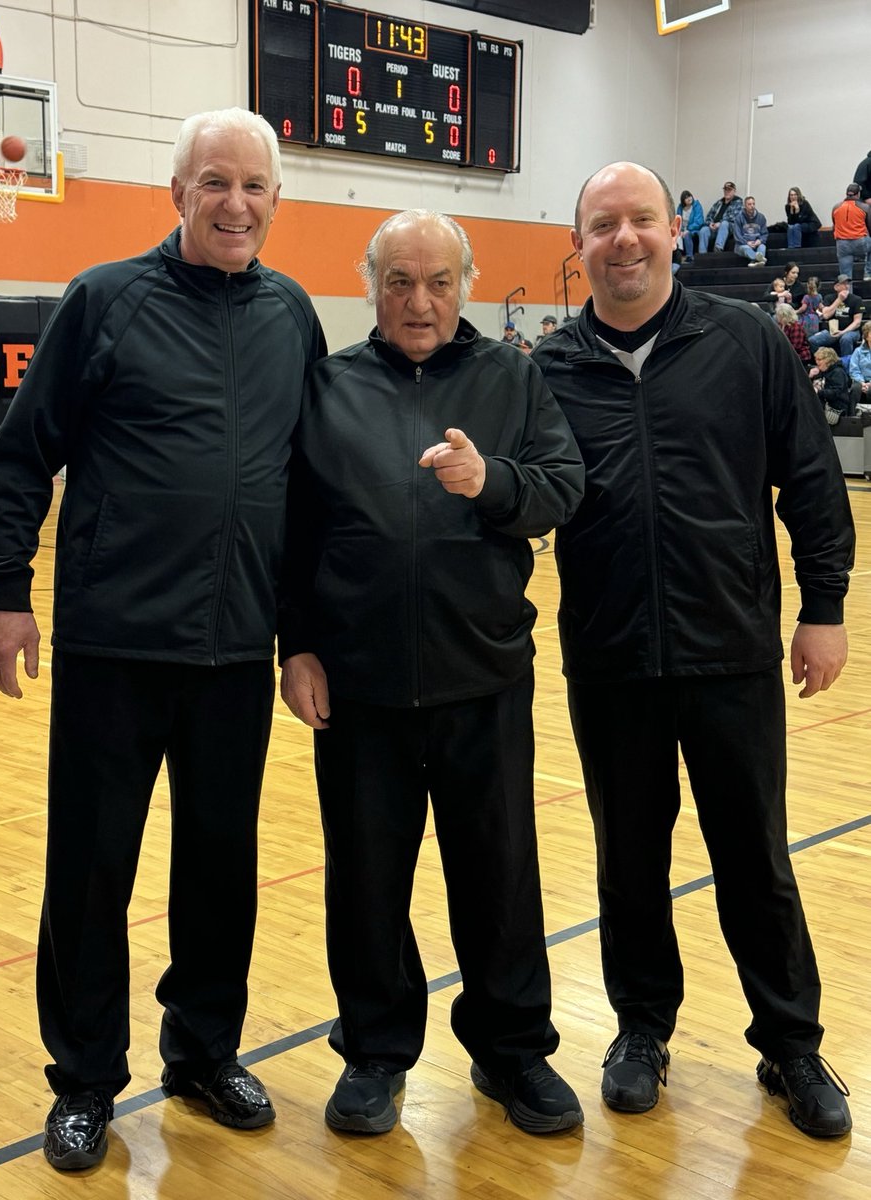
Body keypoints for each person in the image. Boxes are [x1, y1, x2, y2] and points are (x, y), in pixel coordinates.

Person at [0, 107, 326, 1171]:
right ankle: (83, 1081)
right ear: (177, 195)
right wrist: (3, 591)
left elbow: (308, 492)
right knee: (92, 872)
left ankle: (203, 1053)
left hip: (234, 653)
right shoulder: (104, 301)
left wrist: (302, 635)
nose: (235, 203)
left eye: (254, 185)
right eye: (214, 182)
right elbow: (20, 456)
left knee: (220, 868)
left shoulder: (293, 316)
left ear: (275, 200)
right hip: (113, 647)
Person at [533, 161, 855, 1140]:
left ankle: (791, 1045)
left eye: (641, 220)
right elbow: (510, 507)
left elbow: (808, 480)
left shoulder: (749, 344)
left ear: (676, 231)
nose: (623, 239)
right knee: (629, 860)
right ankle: (640, 1029)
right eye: (602, 224)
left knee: (754, 858)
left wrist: (824, 606)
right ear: (578, 243)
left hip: (732, 653)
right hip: (611, 657)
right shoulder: (543, 370)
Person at [278, 209, 585, 1138]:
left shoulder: (513, 378)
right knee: (366, 881)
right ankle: (375, 1052)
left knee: (499, 875)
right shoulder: (327, 385)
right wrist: (295, 648)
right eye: (401, 281)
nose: (420, 300)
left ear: (467, 284)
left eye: (439, 281)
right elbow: (293, 534)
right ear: (372, 284)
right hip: (360, 688)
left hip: (483, 675)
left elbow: (562, 487)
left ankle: (512, 1052)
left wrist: (490, 481)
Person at [809, 274, 865, 357]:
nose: (846, 286)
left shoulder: (857, 299)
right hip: (832, 330)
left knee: (845, 339)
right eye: (843, 284)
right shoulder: (829, 298)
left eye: (848, 284)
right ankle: (825, 363)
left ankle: (846, 366)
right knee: (812, 340)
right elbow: (826, 316)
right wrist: (839, 300)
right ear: (836, 287)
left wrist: (842, 332)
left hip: (851, 331)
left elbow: (857, 322)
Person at [831, 183, 871, 282]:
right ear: (858, 194)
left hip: (842, 244)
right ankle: (868, 272)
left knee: (845, 276)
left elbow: (834, 225)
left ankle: (847, 294)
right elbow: (870, 226)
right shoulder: (865, 207)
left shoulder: (836, 207)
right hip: (860, 242)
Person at [697, 181, 742, 253]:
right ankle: (702, 254)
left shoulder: (738, 202)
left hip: (729, 227)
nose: (727, 192)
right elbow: (709, 216)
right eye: (725, 190)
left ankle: (718, 249)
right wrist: (710, 224)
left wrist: (719, 223)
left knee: (724, 223)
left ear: (734, 191)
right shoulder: (719, 203)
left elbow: (735, 218)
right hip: (715, 227)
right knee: (703, 230)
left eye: (729, 190)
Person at [809, 346, 851, 423]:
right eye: (816, 359)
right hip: (822, 403)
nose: (816, 362)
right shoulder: (820, 371)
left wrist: (818, 392)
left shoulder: (838, 373)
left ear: (828, 360)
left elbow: (835, 393)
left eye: (819, 359)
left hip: (835, 407)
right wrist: (810, 377)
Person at [732, 195, 768, 266]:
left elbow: (765, 234)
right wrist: (747, 242)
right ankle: (759, 259)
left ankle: (754, 262)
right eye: (749, 204)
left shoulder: (761, 217)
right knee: (746, 248)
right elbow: (737, 235)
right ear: (745, 206)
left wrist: (760, 241)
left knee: (763, 247)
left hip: (756, 244)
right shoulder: (738, 218)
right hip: (742, 244)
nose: (752, 206)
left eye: (753, 204)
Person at [676, 190, 704, 260]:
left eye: (689, 196)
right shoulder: (680, 208)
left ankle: (689, 256)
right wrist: (680, 231)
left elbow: (699, 222)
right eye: (686, 198)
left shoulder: (697, 205)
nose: (689, 199)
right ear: (683, 201)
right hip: (683, 229)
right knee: (676, 236)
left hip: (694, 229)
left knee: (687, 235)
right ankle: (677, 258)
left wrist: (688, 229)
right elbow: (678, 220)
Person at [848, 319, 871, 399]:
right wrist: (862, 382)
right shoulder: (858, 351)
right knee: (855, 388)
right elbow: (854, 370)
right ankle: (851, 411)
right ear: (866, 336)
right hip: (861, 381)